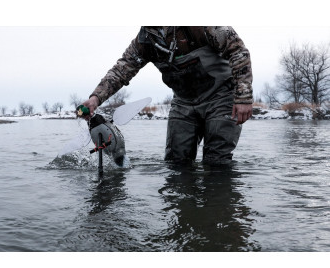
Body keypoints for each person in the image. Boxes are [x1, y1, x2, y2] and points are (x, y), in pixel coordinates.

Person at [81, 26, 253, 164]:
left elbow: (238, 52)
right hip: (183, 102)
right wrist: (96, 98)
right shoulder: (144, 40)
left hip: (221, 98)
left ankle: (218, 204)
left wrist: (243, 97)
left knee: (217, 162)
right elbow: (121, 70)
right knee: (176, 163)